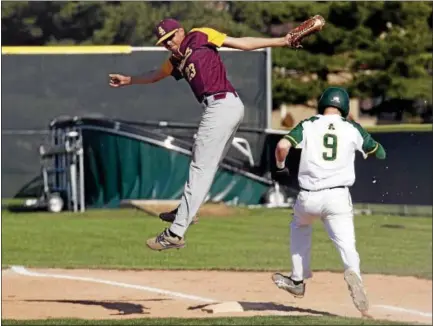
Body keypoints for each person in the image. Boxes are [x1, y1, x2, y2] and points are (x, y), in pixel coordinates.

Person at [109, 18, 301, 251]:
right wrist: (129, 80)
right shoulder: (176, 58)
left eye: (170, 38)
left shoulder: (199, 35)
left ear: (180, 31)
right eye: (163, 41)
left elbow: (242, 43)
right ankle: (184, 213)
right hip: (224, 107)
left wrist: (281, 40)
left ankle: (175, 232)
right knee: (204, 164)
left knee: (200, 168)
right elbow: (155, 75)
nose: (168, 44)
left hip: (222, 104)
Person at [271, 87, 386, 316]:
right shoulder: (351, 127)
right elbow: (379, 152)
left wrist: (280, 167)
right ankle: (353, 272)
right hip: (337, 196)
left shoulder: (308, 124)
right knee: (347, 244)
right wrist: (359, 133)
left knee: (300, 226)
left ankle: (297, 279)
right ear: (344, 106)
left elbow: (282, 146)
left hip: (308, 196)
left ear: (322, 103)